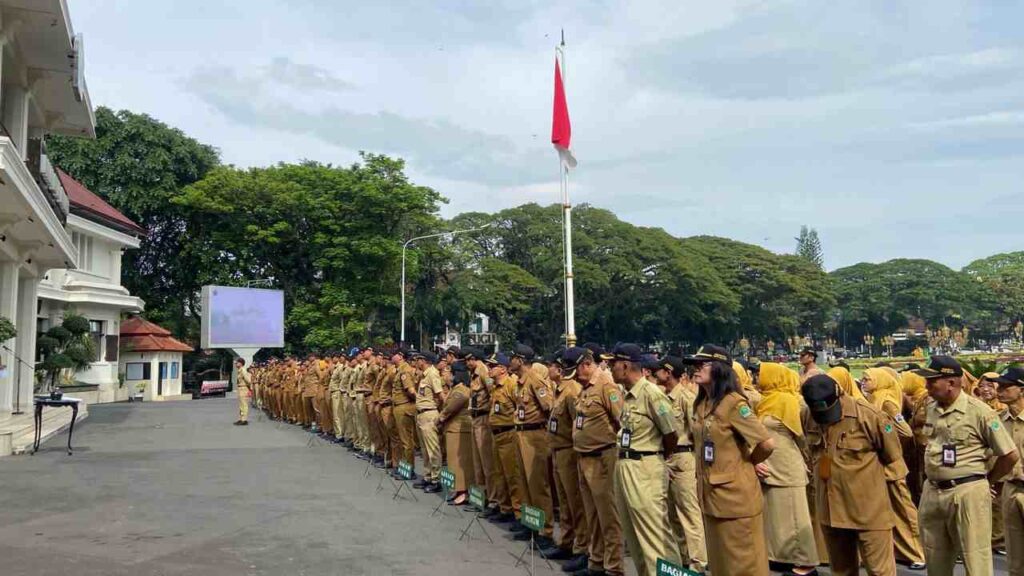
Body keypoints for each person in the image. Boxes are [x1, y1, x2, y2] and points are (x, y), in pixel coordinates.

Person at [915, 356, 1019, 576]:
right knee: (935, 558)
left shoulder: (980, 412)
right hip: (933, 491)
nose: (927, 386)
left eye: (932, 381)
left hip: (967, 493)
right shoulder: (931, 407)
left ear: (951, 383)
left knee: (975, 559)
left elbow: (1009, 454)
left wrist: (986, 481)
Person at [800, 373, 902, 576]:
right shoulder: (807, 415)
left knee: (880, 571)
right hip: (830, 509)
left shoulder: (869, 416)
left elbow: (892, 454)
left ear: (839, 395)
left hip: (868, 510)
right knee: (841, 571)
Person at [687, 344, 775, 576]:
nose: (694, 369)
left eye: (700, 364)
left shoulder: (734, 403)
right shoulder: (702, 403)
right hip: (710, 494)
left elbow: (766, 444)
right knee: (720, 562)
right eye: (693, 365)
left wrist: (749, 462)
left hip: (735, 497)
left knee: (743, 563)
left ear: (718, 368)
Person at [610, 344, 680, 576]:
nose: (610, 368)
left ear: (626, 365)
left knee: (654, 535)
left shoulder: (651, 393)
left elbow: (670, 433)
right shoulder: (628, 396)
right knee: (633, 535)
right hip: (626, 465)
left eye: (613, 364)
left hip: (645, 466)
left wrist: (662, 458)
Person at [755, 363, 819, 575]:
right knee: (777, 515)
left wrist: (809, 462)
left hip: (787, 466)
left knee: (795, 515)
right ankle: (782, 557)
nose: (756, 377)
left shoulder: (789, 401)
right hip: (770, 465)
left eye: (760, 374)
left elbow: (802, 437)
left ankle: (806, 562)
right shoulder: (766, 401)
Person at [862, 368, 926, 569]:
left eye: (867, 379)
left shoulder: (886, 402)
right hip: (882, 466)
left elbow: (904, 432)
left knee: (904, 510)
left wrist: (892, 449)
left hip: (891, 466)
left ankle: (918, 553)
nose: (863, 382)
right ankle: (902, 550)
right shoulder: (875, 399)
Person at [571, 344, 625, 576]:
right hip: (584, 455)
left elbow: (622, 420)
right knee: (592, 514)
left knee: (607, 515)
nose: (573, 377)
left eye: (575, 370)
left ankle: (613, 567)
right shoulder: (586, 387)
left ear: (586, 364)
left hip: (602, 456)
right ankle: (596, 561)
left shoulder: (606, 385)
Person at [652, 356, 707, 574]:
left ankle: (697, 564)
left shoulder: (685, 397)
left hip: (684, 457)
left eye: (660, 371)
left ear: (669, 372)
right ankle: (683, 560)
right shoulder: (661, 397)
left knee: (689, 513)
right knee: (673, 514)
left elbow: (696, 432)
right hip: (668, 459)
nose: (656, 374)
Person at [510, 344, 556, 549]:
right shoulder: (520, 382)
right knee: (524, 482)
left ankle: (545, 531)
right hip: (521, 432)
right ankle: (530, 523)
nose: (510, 361)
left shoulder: (535, 380)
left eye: (513, 357)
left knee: (538, 484)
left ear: (520, 360)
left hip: (534, 434)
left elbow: (549, 407)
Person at [549, 348, 588, 564]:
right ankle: (566, 540)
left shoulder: (572, 390)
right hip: (557, 449)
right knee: (564, 500)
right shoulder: (561, 389)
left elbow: (577, 424)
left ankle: (581, 546)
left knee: (575, 502)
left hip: (569, 450)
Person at [485, 352, 522, 523]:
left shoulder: (512, 384)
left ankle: (518, 513)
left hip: (508, 433)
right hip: (496, 434)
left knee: (512, 476)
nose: (489, 369)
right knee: (498, 473)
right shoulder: (494, 386)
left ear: (502, 369)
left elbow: (520, 408)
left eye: (492, 366)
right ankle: (504, 507)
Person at [996, 366, 1024, 576]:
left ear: (1021, 390)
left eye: (1006, 386)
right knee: (1015, 553)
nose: (1000, 390)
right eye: (1000, 386)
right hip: (1011, 489)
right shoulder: (997, 420)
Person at [977, 372, 1009, 556]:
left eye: (991, 386)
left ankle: (998, 540)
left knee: (998, 503)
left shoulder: (1004, 409)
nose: (986, 390)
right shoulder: (976, 407)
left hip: (1001, 463)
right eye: (983, 386)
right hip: (983, 463)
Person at [439, 360, 474, 506]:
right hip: (454, 428)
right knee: (454, 462)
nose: (449, 376)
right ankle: (458, 490)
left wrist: (441, 418)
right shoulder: (456, 388)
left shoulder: (461, 390)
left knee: (460, 462)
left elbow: (451, 407)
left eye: (451, 373)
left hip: (459, 428)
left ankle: (463, 492)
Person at [414, 352, 445, 492]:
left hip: (429, 413)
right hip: (421, 414)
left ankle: (436, 479)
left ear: (424, 360)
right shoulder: (424, 375)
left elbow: (440, 395)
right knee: (424, 449)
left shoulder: (432, 374)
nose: (416, 362)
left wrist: (444, 413)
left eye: (418, 359)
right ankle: (427, 476)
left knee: (433, 449)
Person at [234, 357, 251, 426]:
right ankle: (241, 419)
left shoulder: (243, 370)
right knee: (241, 405)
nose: (235, 364)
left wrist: (250, 389)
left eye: (237, 363)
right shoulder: (239, 370)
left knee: (244, 405)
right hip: (240, 389)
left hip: (244, 389)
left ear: (241, 363)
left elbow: (248, 381)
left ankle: (244, 420)